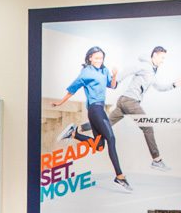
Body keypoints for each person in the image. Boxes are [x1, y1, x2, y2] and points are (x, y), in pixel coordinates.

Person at [55, 46, 128, 190]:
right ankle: (120, 176)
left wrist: (114, 75)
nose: (99, 60)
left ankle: (74, 134)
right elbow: (73, 88)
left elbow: (112, 85)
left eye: (101, 58)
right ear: (90, 58)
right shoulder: (86, 72)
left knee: (99, 146)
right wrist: (61, 102)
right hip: (95, 109)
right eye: (96, 58)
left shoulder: (104, 70)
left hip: (99, 109)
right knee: (111, 139)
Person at [109, 46, 181, 170]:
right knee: (148, 127)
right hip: (130, 101)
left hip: (124, 100)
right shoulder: (145, 66)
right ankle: (157, 160)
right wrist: (116, 80)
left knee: (105, 124)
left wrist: (174, 85)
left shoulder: (152, 72)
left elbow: (159, 87)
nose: (163, 61)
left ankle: (79, 129)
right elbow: (130, 69)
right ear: (154, 55)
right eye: (162, 58)